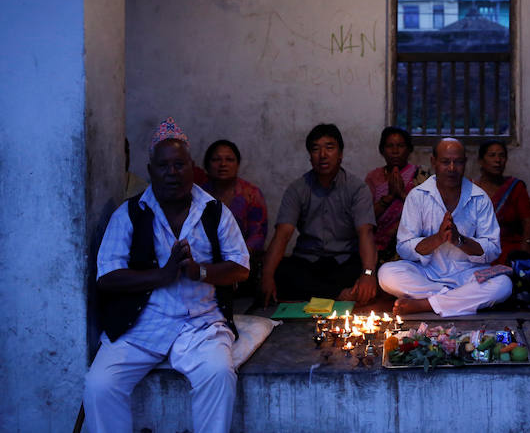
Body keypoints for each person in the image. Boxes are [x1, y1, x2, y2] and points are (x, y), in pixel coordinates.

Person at [84, 118, 250, 433]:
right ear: (150, 170)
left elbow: (240, 267)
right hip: (142, 327)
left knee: (218, 373)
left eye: (179, 165)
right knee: (99, 385)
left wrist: (199, 271)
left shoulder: (214, 212)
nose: (171, 173)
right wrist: (162, 275)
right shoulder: (130, 213)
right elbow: (107, 277)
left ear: (192, 167)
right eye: (163, 166)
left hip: (201, 325)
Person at [378, 138, 512, 316]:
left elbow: (493, 249)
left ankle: (426, 304)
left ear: (465, 163)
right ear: (433, 162)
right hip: (428, 274)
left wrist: (460, 240)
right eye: (445, 162)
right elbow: (404, 247)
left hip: (468, 275)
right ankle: (454, 300)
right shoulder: (418, 196)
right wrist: (437, 239)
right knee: (386, 274)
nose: (451, 168)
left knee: (503, 285)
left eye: (457, 162)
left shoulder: (479, 198)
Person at [261, 123, 377, 306]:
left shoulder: (357, 189)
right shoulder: (297, 189)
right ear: (310, 157)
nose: (323, 155)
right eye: (316, 149)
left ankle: (322, 294)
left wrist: (368, 274)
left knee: (366, 274)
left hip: (344, 261)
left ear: (340, 154)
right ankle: (339, 295)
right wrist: (267, 276)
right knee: (280, 272)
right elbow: (282, 235)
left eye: (329, 148)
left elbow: (366, 233)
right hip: (308, 261)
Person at [202, 139, 268, 295]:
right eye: (216, 159)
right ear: (207, 165)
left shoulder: (251, 194)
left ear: (237, 164)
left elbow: (258, 236)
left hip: (241, 262)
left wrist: (232, 260)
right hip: (205, 263)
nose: (223, 164)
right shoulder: (198, 195)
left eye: (229, 160)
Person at [364, 127, 427, 263]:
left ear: (409, 149)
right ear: (382, 150)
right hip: (378, 246)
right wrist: (389, 198)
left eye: (400, 146)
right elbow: (366, 217)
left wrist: (403, 195)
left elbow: (428, 214)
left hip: (411, 246)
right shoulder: (373, 177)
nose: (395, 151)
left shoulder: (421, 176)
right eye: (389, 146)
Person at [472, 139, 530, 264]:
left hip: (508, 244)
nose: (498, 160)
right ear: (481, 160)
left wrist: (526, 243)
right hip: (477, 244)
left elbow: (527, 220)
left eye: (502, 156)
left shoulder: (515, 187)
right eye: (492, 155)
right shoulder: (470, 188)